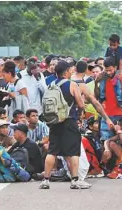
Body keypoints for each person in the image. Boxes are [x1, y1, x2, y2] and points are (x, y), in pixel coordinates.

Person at [41, 61, 90, 190]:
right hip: (69, 121)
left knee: (52, 151)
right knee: (73, 151)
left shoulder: (51, 85)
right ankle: (75, 180)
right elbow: (80, 104)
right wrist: (80, 114)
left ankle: (46, 180)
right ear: (66, 72)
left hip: (55, 122)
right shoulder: (72, 84)